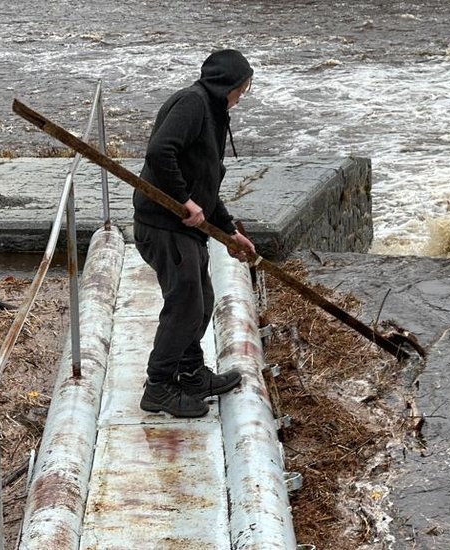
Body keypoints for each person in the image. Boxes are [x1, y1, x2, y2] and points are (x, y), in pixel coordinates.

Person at [132, 49, 257, 418]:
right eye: (241, 89)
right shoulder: (192, 104)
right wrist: (183, 200)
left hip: (184, 228)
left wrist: (230, 230)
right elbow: (159, 152)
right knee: (185, 307)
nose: (242, 96)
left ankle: (190, 375)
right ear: (227, 85)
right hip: (163, 225)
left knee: (200, 300)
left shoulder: (214, 113)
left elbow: (207, 186)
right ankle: (158, 388)